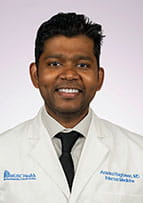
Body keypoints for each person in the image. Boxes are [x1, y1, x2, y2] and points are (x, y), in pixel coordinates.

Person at [0, 12, 143, 203]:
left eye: (83, 65)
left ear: (99, 77)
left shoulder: (138, 154)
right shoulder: (4, 152)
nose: (69, 75)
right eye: (55, 63)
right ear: (35, 75)